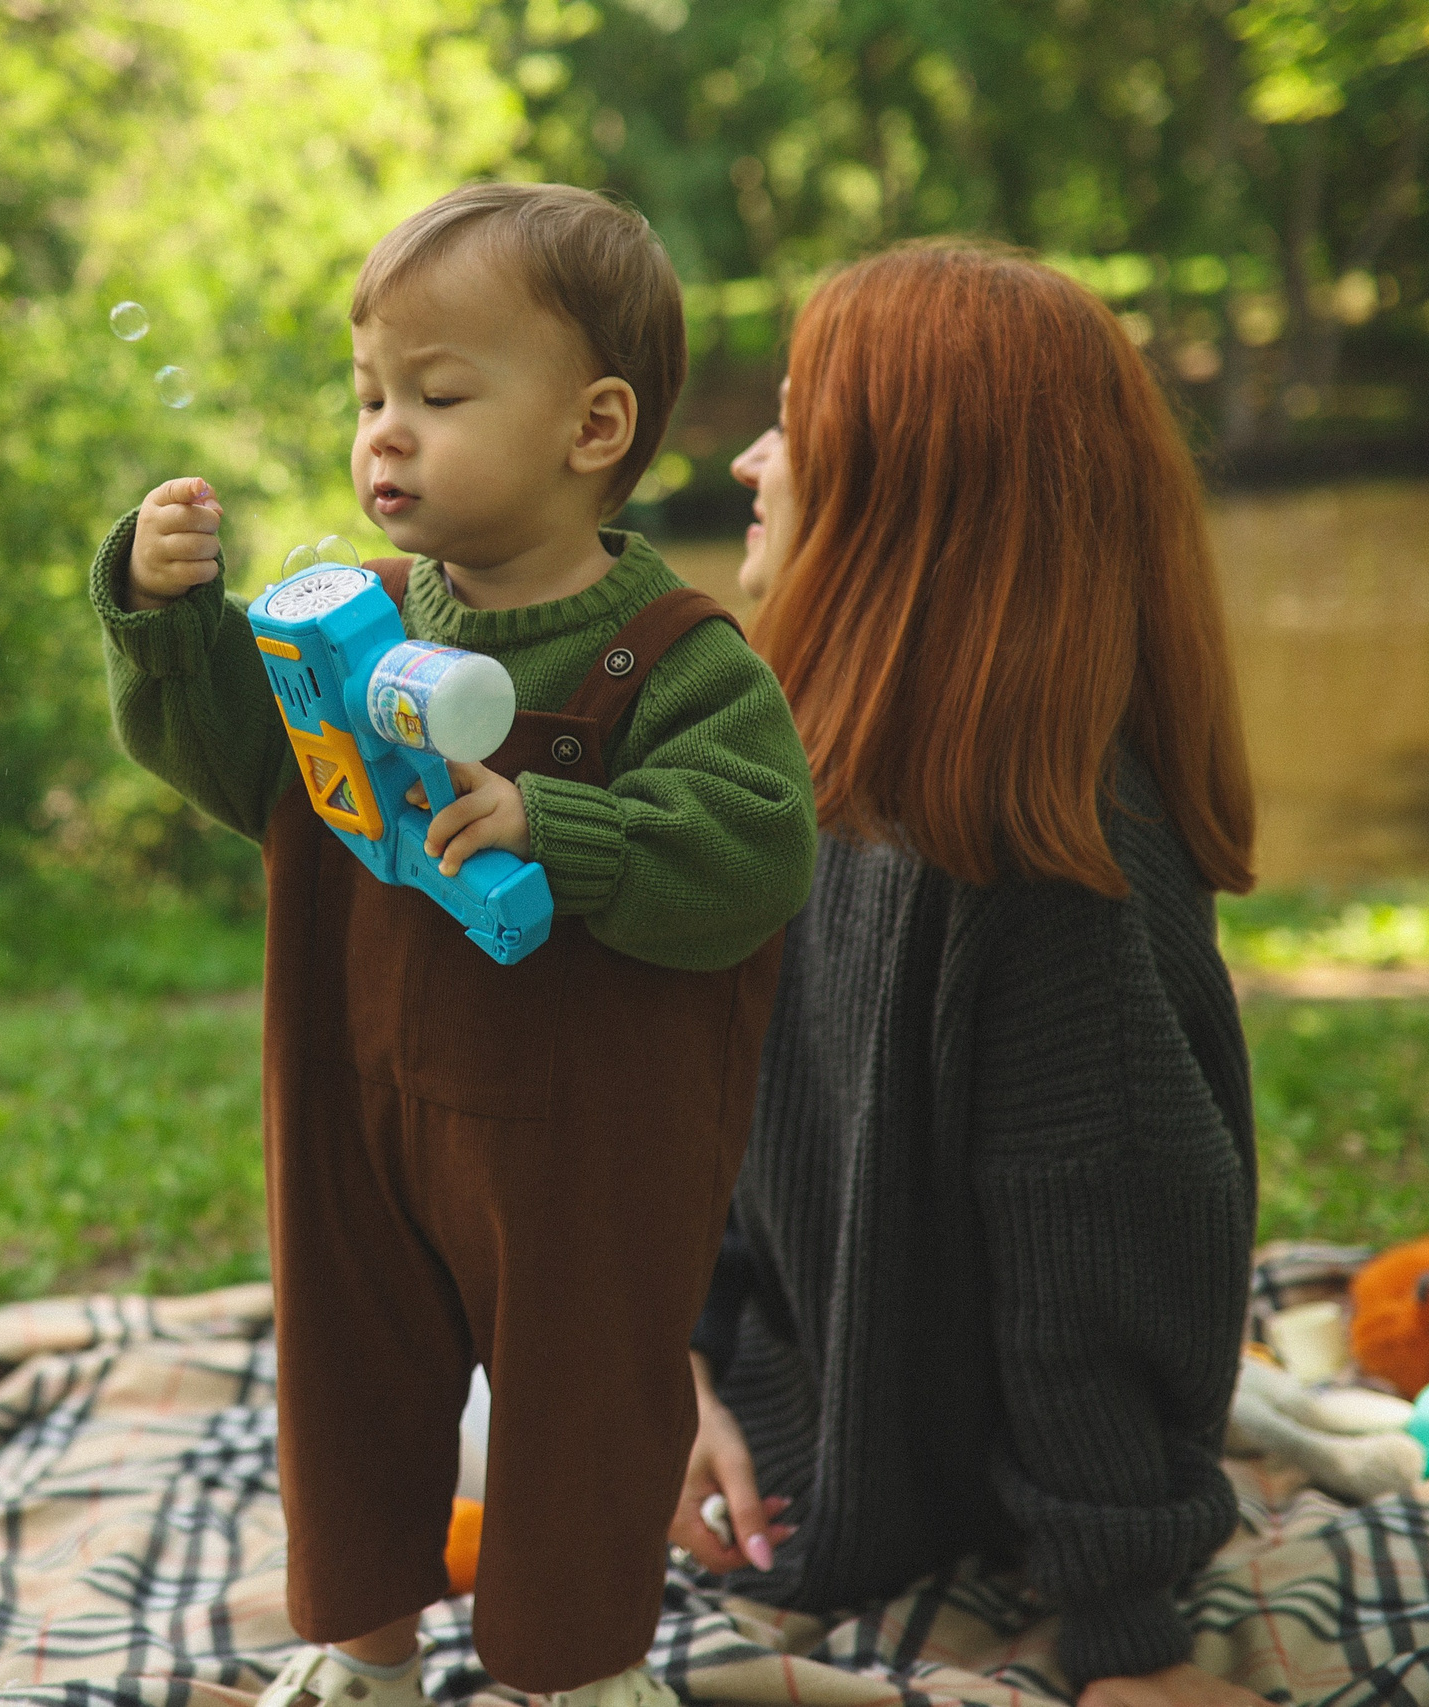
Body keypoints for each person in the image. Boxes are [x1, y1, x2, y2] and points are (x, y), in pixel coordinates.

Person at [90, 182, 818, 1707]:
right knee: (350, 1375)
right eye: (368, 395)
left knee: (584, 1399)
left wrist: (567, 826)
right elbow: (245, 774)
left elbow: (756, 856)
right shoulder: (340, 620)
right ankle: (365, 1649)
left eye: (436, 393)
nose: (383, 434)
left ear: (593, 426)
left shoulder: (680, 660)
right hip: (354, 1094)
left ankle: (580, 1666)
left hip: (584, 1135)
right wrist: (169, 625)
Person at [677, 241, 1266, 1707]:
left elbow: (1094, 1254)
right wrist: (664, 1370)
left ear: (903, 497)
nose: (751, 461)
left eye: (796, 424)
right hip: (779, 1421)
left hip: (900, 1494)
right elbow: (717, 1146)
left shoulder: (1045, 865)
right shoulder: (802, 794)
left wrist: (1128, 1634)